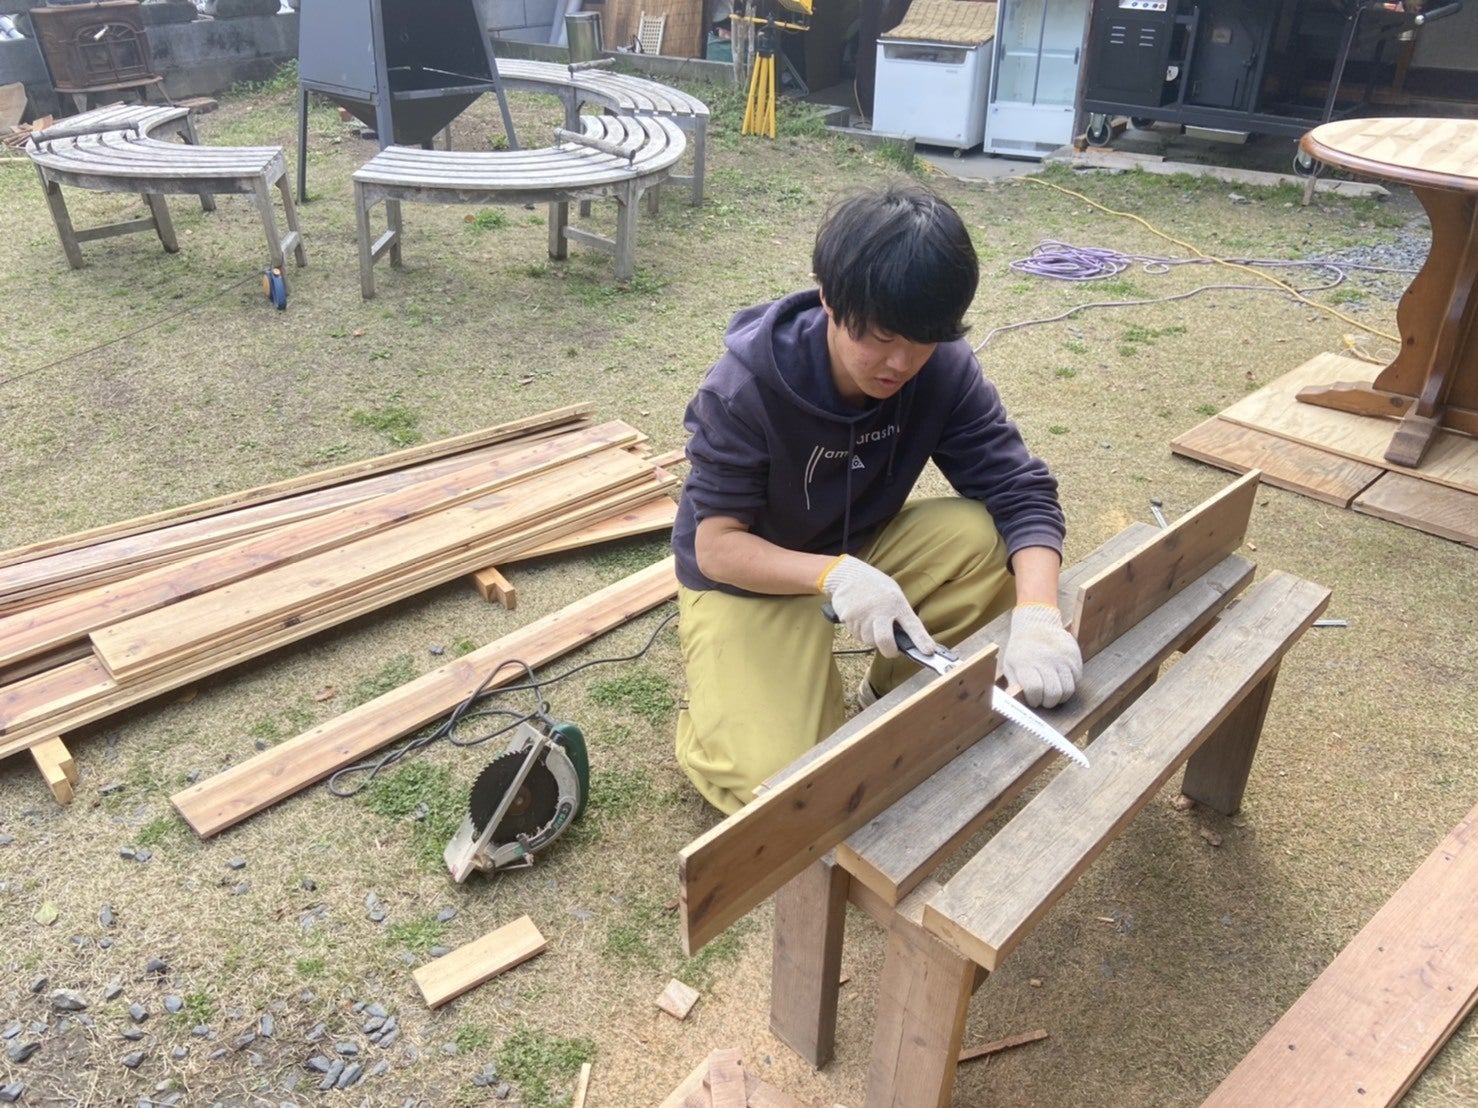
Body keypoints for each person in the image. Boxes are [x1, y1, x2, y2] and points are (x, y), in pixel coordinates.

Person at [672, 182, 1081, 815]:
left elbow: (1020, 491)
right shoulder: (745, 388)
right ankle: (710, 730)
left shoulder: (941, 366)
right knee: (785, 786)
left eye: (923, 339)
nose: (900, 363)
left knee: (987, 539)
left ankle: (894, 694)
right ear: (831, 299)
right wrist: (833, 576)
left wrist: (1038, 615)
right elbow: (717, 548)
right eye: (883, 336)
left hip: (860, 548)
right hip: (751, 577)